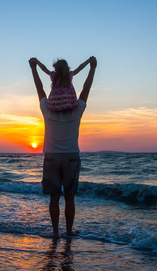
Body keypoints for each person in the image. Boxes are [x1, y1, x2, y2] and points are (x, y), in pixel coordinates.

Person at [29, 56, 97, 238]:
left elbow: (39, 88)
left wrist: (33, 68)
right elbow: (86, 89)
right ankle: (68, 232)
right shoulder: (77, 110)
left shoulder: (47, 109)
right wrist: (93, 68)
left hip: (51, 157)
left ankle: (55, 232)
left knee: (54, 197)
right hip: (71, 157)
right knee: (69, 197)